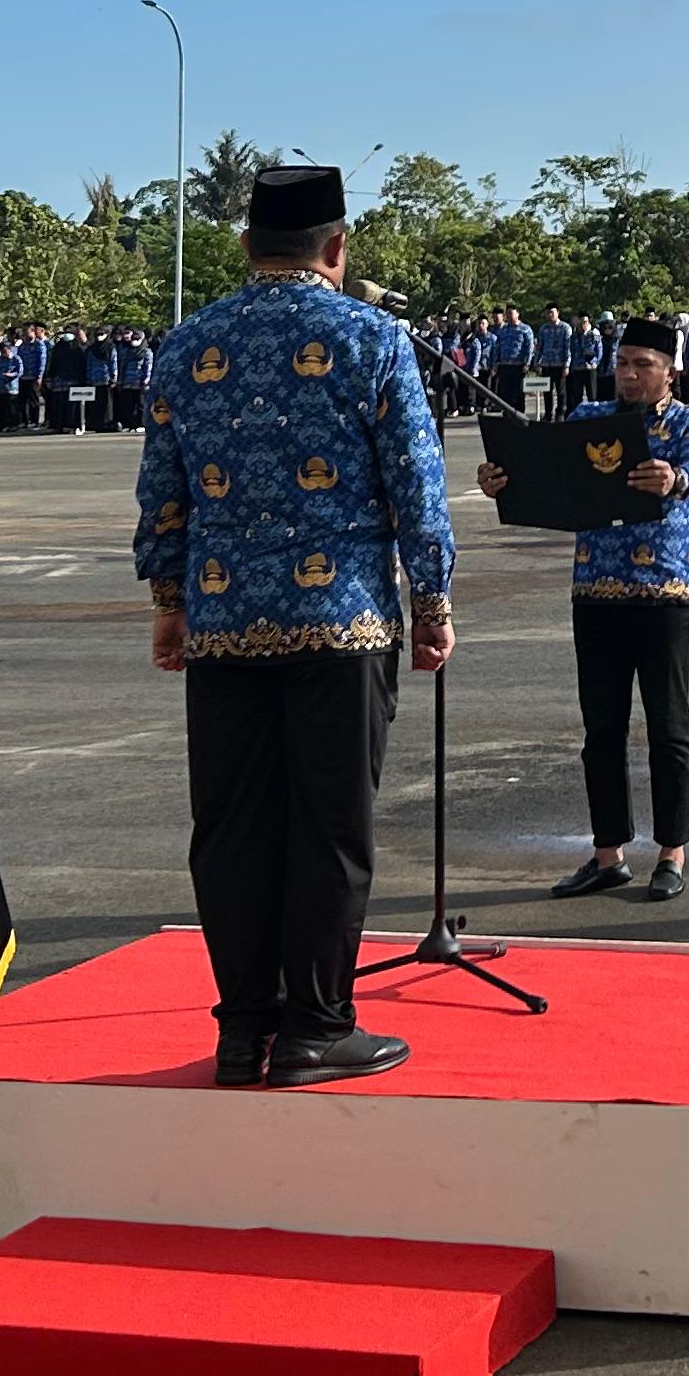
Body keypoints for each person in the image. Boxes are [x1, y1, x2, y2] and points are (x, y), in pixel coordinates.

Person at [135, 165, 454, 1089]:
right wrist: (432, 604)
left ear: (244, 248)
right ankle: (316, 1025)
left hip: (225, 617)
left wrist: (170, 603)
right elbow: (417, 491)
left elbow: (163, 492)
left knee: (230, 827)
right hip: (341, 619)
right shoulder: (371, 337)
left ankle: (243, 1032)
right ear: (338, 247)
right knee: (329, 826)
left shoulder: (190, 343)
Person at [485, 314, 689, 904]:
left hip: (664, 592)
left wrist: (675, 478)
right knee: (601, 730)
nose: (631, 374)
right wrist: (502, 479)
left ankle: (671, 853)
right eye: (623, 362)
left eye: (644, 364)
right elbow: (548, 470)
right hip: (596, 591)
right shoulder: (589, 418)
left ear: (670, 371)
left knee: (668, 729)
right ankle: (608, 854)